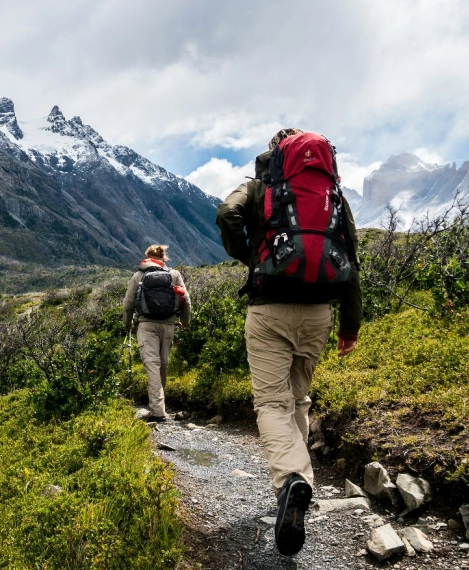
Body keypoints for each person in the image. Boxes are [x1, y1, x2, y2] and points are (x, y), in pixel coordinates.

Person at [216, 128, 362, 557]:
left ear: (276, 153)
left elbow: (227, 214)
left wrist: (249, 255)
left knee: (271, 404)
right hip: (318, 313)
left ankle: (291, 481)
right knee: (298, 400)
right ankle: (298, 482)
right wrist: (349, 327)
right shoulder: (332, 195)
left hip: (269, 309)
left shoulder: (261, 186)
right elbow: (351, 257)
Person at [122, 244, 191, 423]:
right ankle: (159, 406)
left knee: (152, 365)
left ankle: (158, 411)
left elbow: (128, 304)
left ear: (147, 257)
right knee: (163, 364)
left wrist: (128, 324)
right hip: (169, 324)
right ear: (163, 258)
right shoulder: (174, 274)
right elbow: (186, 300)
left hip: (147, 325)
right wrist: (185, 321)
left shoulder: (138, 275)